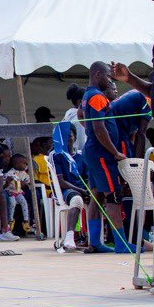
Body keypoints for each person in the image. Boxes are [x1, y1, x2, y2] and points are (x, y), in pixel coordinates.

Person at [80, 62, 136, 255]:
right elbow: (99, 128)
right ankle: (121, 244)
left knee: (96, 196)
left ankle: (95, 242)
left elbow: (82, 116)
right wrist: (115, 152)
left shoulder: (88, 95)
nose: (110, 80)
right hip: (102, 154)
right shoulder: (96, 96)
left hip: (93, 151)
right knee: (113, 196)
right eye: (107, 76)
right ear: (97, 74)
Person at [51, 123, 89, 251]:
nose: (67, 139)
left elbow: (87, 177)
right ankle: (70, 237)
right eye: (63, 136)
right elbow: (61, 181)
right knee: (77, 200)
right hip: (66, 191)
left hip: (82, 190)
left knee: (99, 198)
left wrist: (89, 190)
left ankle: (93, 238)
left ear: (75, 137)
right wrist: (81, 191)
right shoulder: (57, 155)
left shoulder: (81, 156)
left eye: (70, 136)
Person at [110, 88, 150, 157]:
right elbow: (141, 133)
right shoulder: (149, 99)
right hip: (116, 126)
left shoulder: (140, 91)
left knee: (130, 151)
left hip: (114, 123)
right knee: (126, 158)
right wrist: (138, 160)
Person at [5, 154, 32, 233]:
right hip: (10, 192)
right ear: (16, 164)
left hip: (18, 192)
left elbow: (29, 180)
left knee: (24, 202)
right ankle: (10, 220)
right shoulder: (10, 173)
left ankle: (26, 221)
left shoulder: (23, 173)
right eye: (24, 163)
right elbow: (5, 182)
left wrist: (27, 181)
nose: (26, 165)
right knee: (12, 203)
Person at [63, 83, 87, 152]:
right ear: (80, 101)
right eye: (87, 100)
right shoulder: (77, 119)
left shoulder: (69, 114)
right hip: (78, 155)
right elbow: (81, 144)